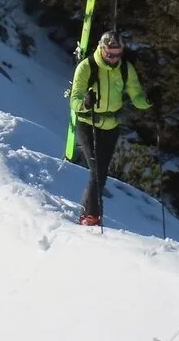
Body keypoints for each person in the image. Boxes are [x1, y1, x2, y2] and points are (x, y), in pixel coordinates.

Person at [67, 31, 152, 227]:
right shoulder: (87, 67)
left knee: (101, 173)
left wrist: (148, 102)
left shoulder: (125, 69)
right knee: (97, 171)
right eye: (110, 54)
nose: (114, 59)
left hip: (111, 125)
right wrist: (85, 103)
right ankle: (92, 217)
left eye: (118, 54)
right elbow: (74, 99)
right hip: (88, 124)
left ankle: (86, 213)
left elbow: (136, 95)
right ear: (101, 49)